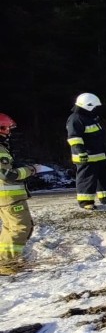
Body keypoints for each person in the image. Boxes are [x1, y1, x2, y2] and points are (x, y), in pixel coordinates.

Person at [66, 92, 106, 209]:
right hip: (86, 156)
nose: (96, 109)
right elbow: (74, 138)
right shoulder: (75, 119)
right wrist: (81, 152)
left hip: (99, 155)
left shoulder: (91, 118)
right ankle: (86, 202)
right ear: (88, 106)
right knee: (87, 178)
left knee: (104, 177)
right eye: (94, 106)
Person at [0, 114, 38, 272]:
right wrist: (30, 170)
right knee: (20, 227)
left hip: (7, 198)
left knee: (10, 228)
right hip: (9, 197)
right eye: (6, 128)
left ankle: (4, 261)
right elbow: (7, 174)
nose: (9, 132)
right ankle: (6, 265)